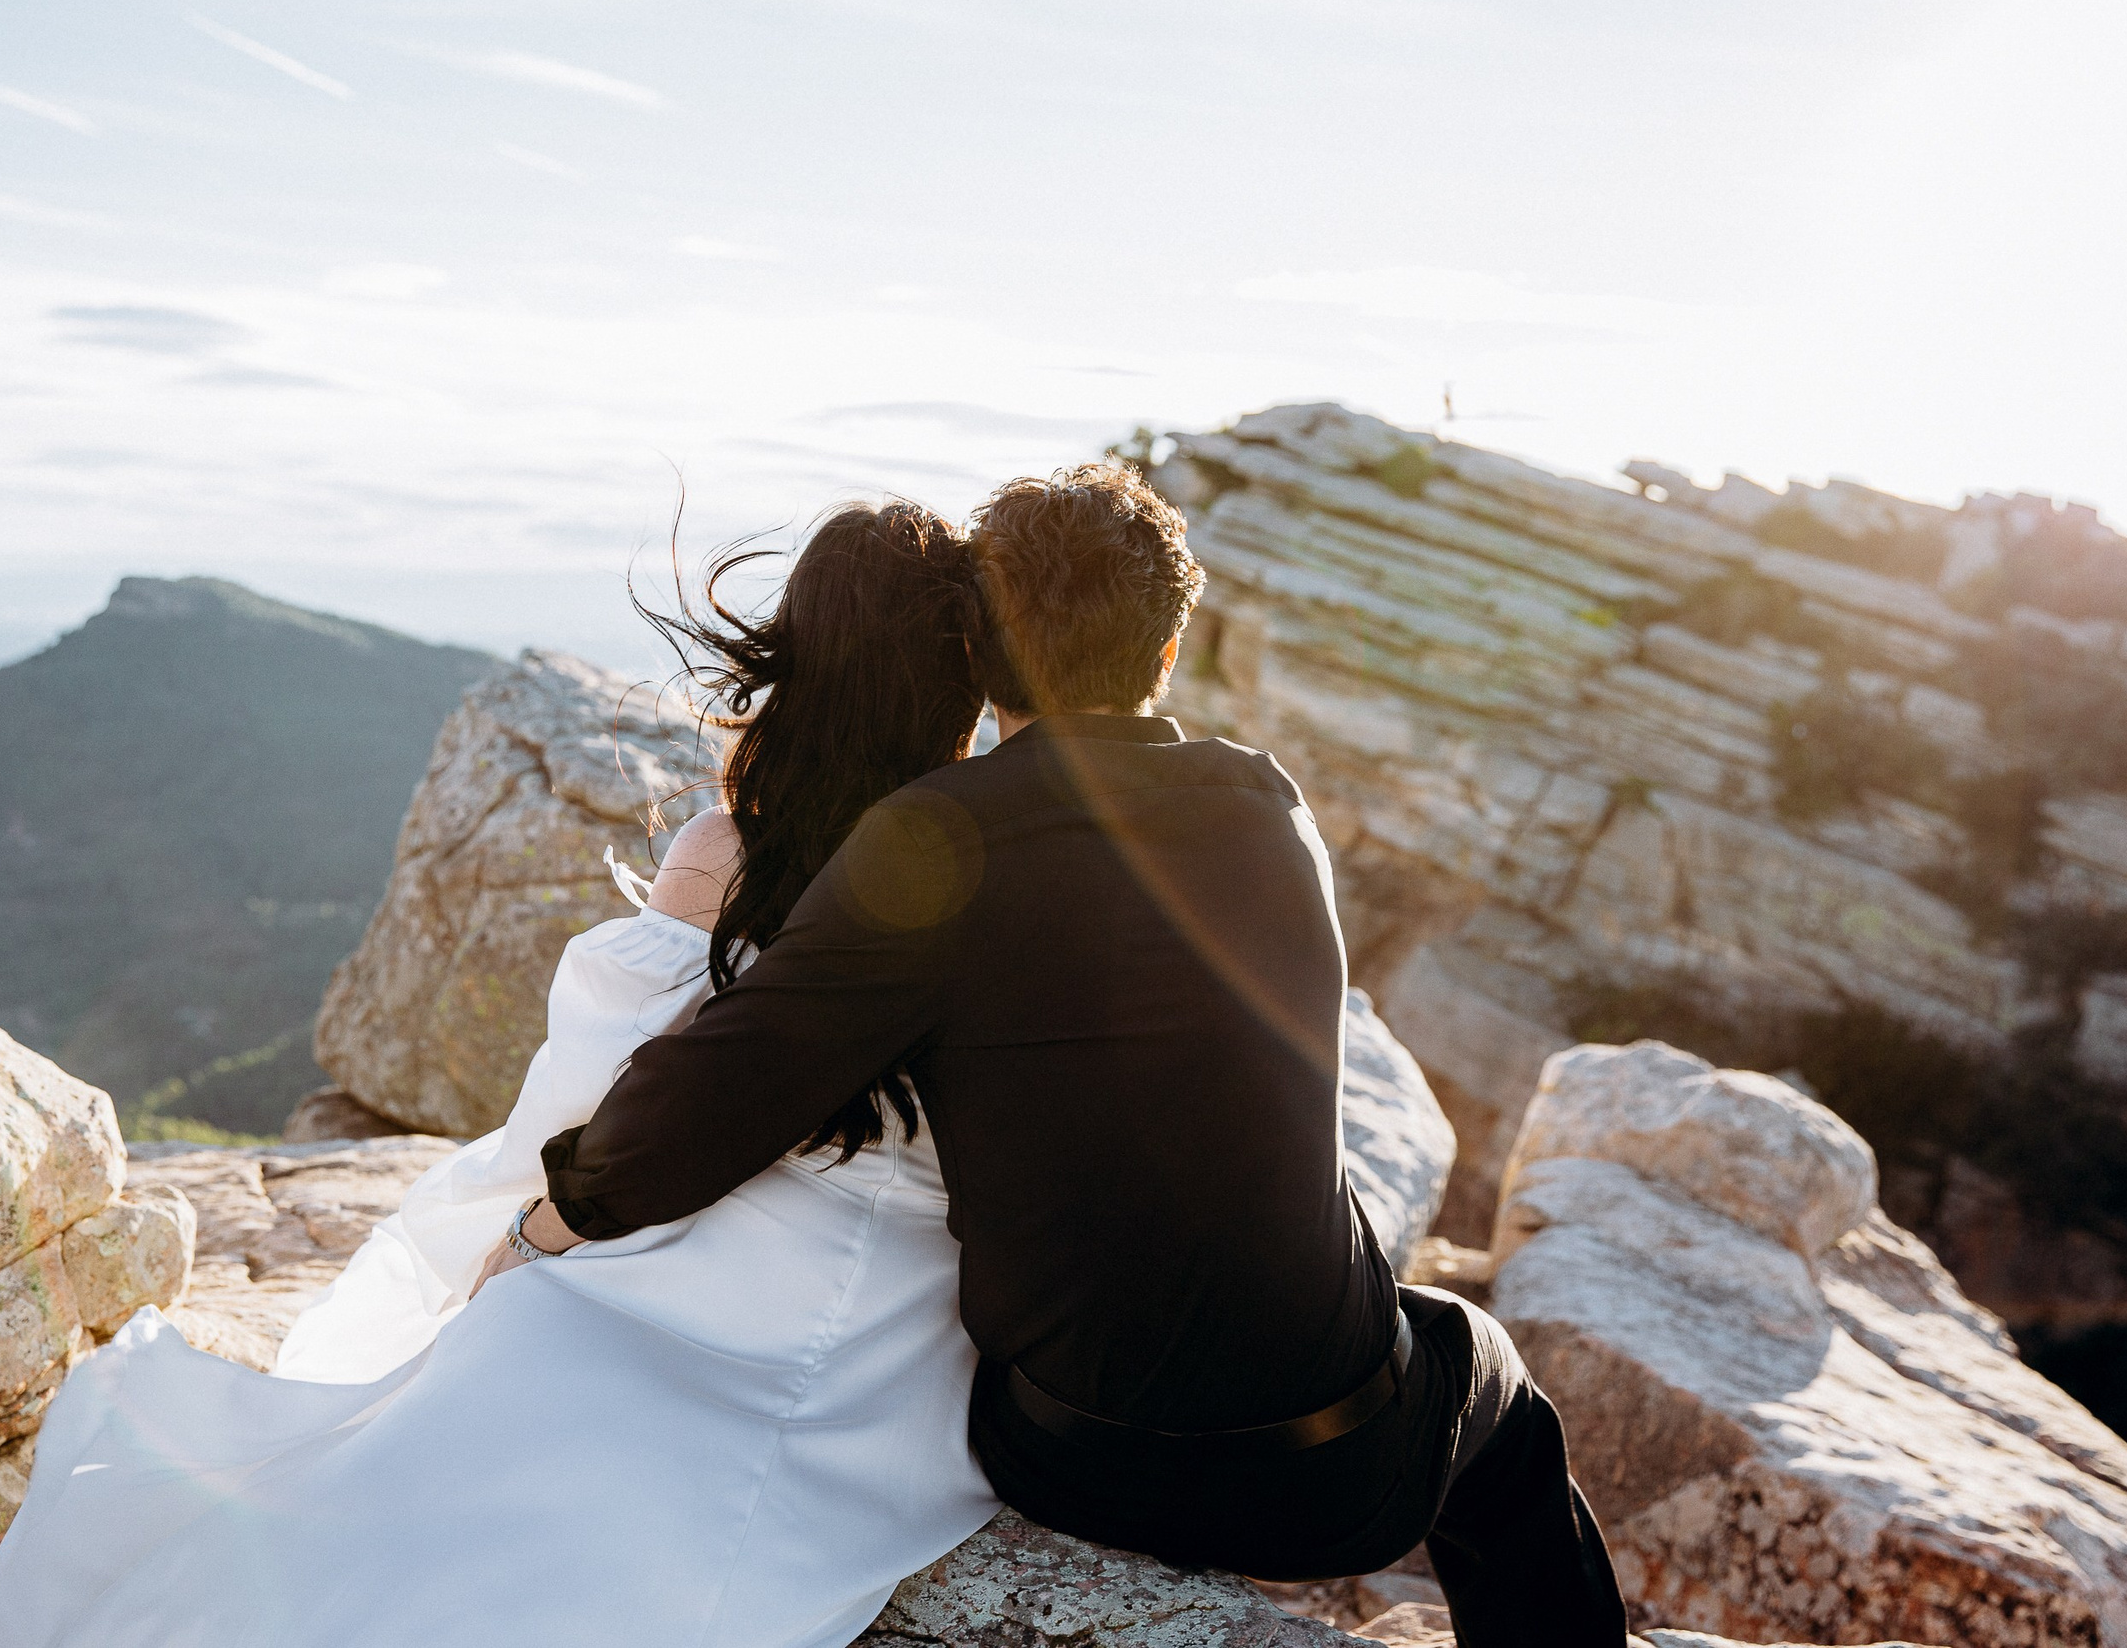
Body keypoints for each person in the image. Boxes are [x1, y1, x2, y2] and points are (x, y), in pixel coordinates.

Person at [526, 463, 1630, 1646]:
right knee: (1487, 1384)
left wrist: (550, 1217)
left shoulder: (933, 841)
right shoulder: (1273, 811)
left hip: (1067, 1461)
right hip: (1332, 1478)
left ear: (983, 662)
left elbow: (712, 1099)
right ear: (1165, 652)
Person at [0, 500, 1004, 1648]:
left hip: (678, 1244)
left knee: (443, 1466)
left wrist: (532, 1234)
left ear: (806, 659)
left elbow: (590, 1106)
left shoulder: (727, 858)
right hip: (905, 1336)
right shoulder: (1004, 864)